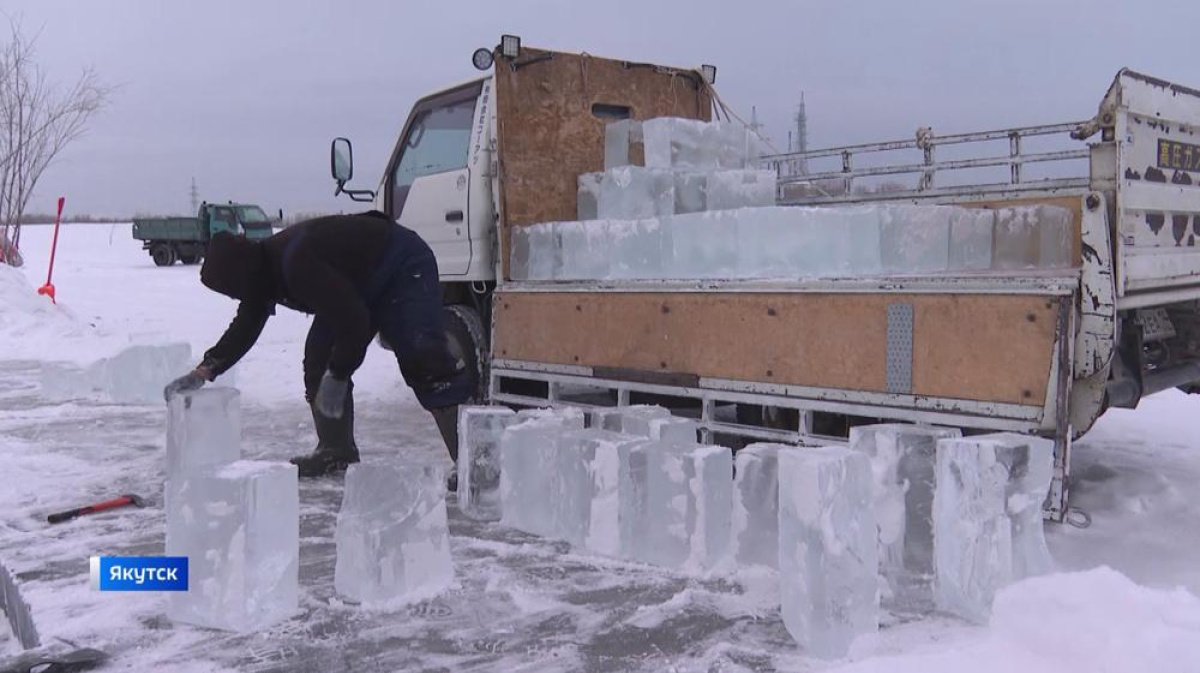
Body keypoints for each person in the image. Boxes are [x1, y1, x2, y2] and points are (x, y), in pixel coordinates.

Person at [163, 211, 473, 478]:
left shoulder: (297, 263)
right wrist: (206, 369)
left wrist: (339, 374)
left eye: (232, 291)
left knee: (424, 358)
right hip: (354, 282)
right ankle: (336, 451)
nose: (236, 297)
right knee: (318, 361)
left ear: (240, 278)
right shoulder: (260, 272)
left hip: (401, 263)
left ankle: (475, 462)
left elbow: (354, 322)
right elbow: (245, 327)